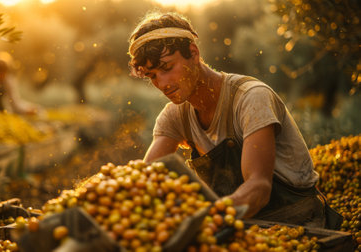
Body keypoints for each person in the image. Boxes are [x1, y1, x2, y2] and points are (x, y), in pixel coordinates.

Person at [128, 12, 342, 229]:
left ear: (193, 53)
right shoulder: (175, 115)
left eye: (166, 68)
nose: (162, 83)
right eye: (152, 76)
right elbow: (145, 178)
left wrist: (205, 218)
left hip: (297, 223)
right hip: (237, 224)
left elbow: (259, 188)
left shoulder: (251, 98)